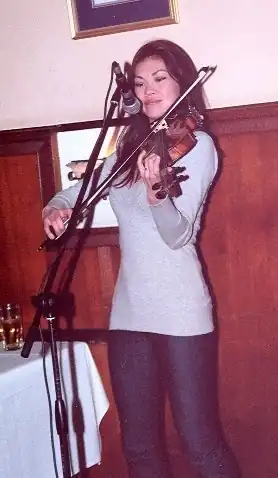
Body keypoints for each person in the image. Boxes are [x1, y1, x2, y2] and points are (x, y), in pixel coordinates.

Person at [43, 39, 240, 478]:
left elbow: (178, 236)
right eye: (139, 82)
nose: (148, 90)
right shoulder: (127, 149)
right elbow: (71, 193)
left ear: (182, 83)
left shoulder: (198, 145)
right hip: (130, 314)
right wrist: (52, 208)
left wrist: (157, 198)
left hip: (182, 313)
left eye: (160, 79)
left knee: (200, 441)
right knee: (139, 446)